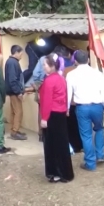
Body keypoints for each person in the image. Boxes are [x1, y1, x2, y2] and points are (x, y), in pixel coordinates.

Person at [66, 50, 104, 171]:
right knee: (100, 129)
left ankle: (90, 163)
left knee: (86, 135)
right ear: (88, 60)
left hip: (82, 108)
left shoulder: (71, 75)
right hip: (97, 106)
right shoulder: (97, 73)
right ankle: (100, 155)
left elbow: (69, 94)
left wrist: (67, 108)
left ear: (75, 61)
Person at [39, 55, 74, 183]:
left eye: (45, 65)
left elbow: (47, 101)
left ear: (52, 66)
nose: (43, 67)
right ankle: (65, 172)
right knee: (62, 144)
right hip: (60, 113)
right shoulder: (61, 78)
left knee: (52, 145)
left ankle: (56, 172)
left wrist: (44, 118)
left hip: (52, 115)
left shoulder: (49, 81)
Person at [5, 45, 28, 141]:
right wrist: (18, 92)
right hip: (14, 92)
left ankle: (14, 130)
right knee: (18, 112)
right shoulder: (12, 63)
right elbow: (13, 79)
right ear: (16, 53)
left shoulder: (11, 62)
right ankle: (15, 131)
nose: (21, 56)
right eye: (21, 54)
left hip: (12, 91)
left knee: (14, 111)